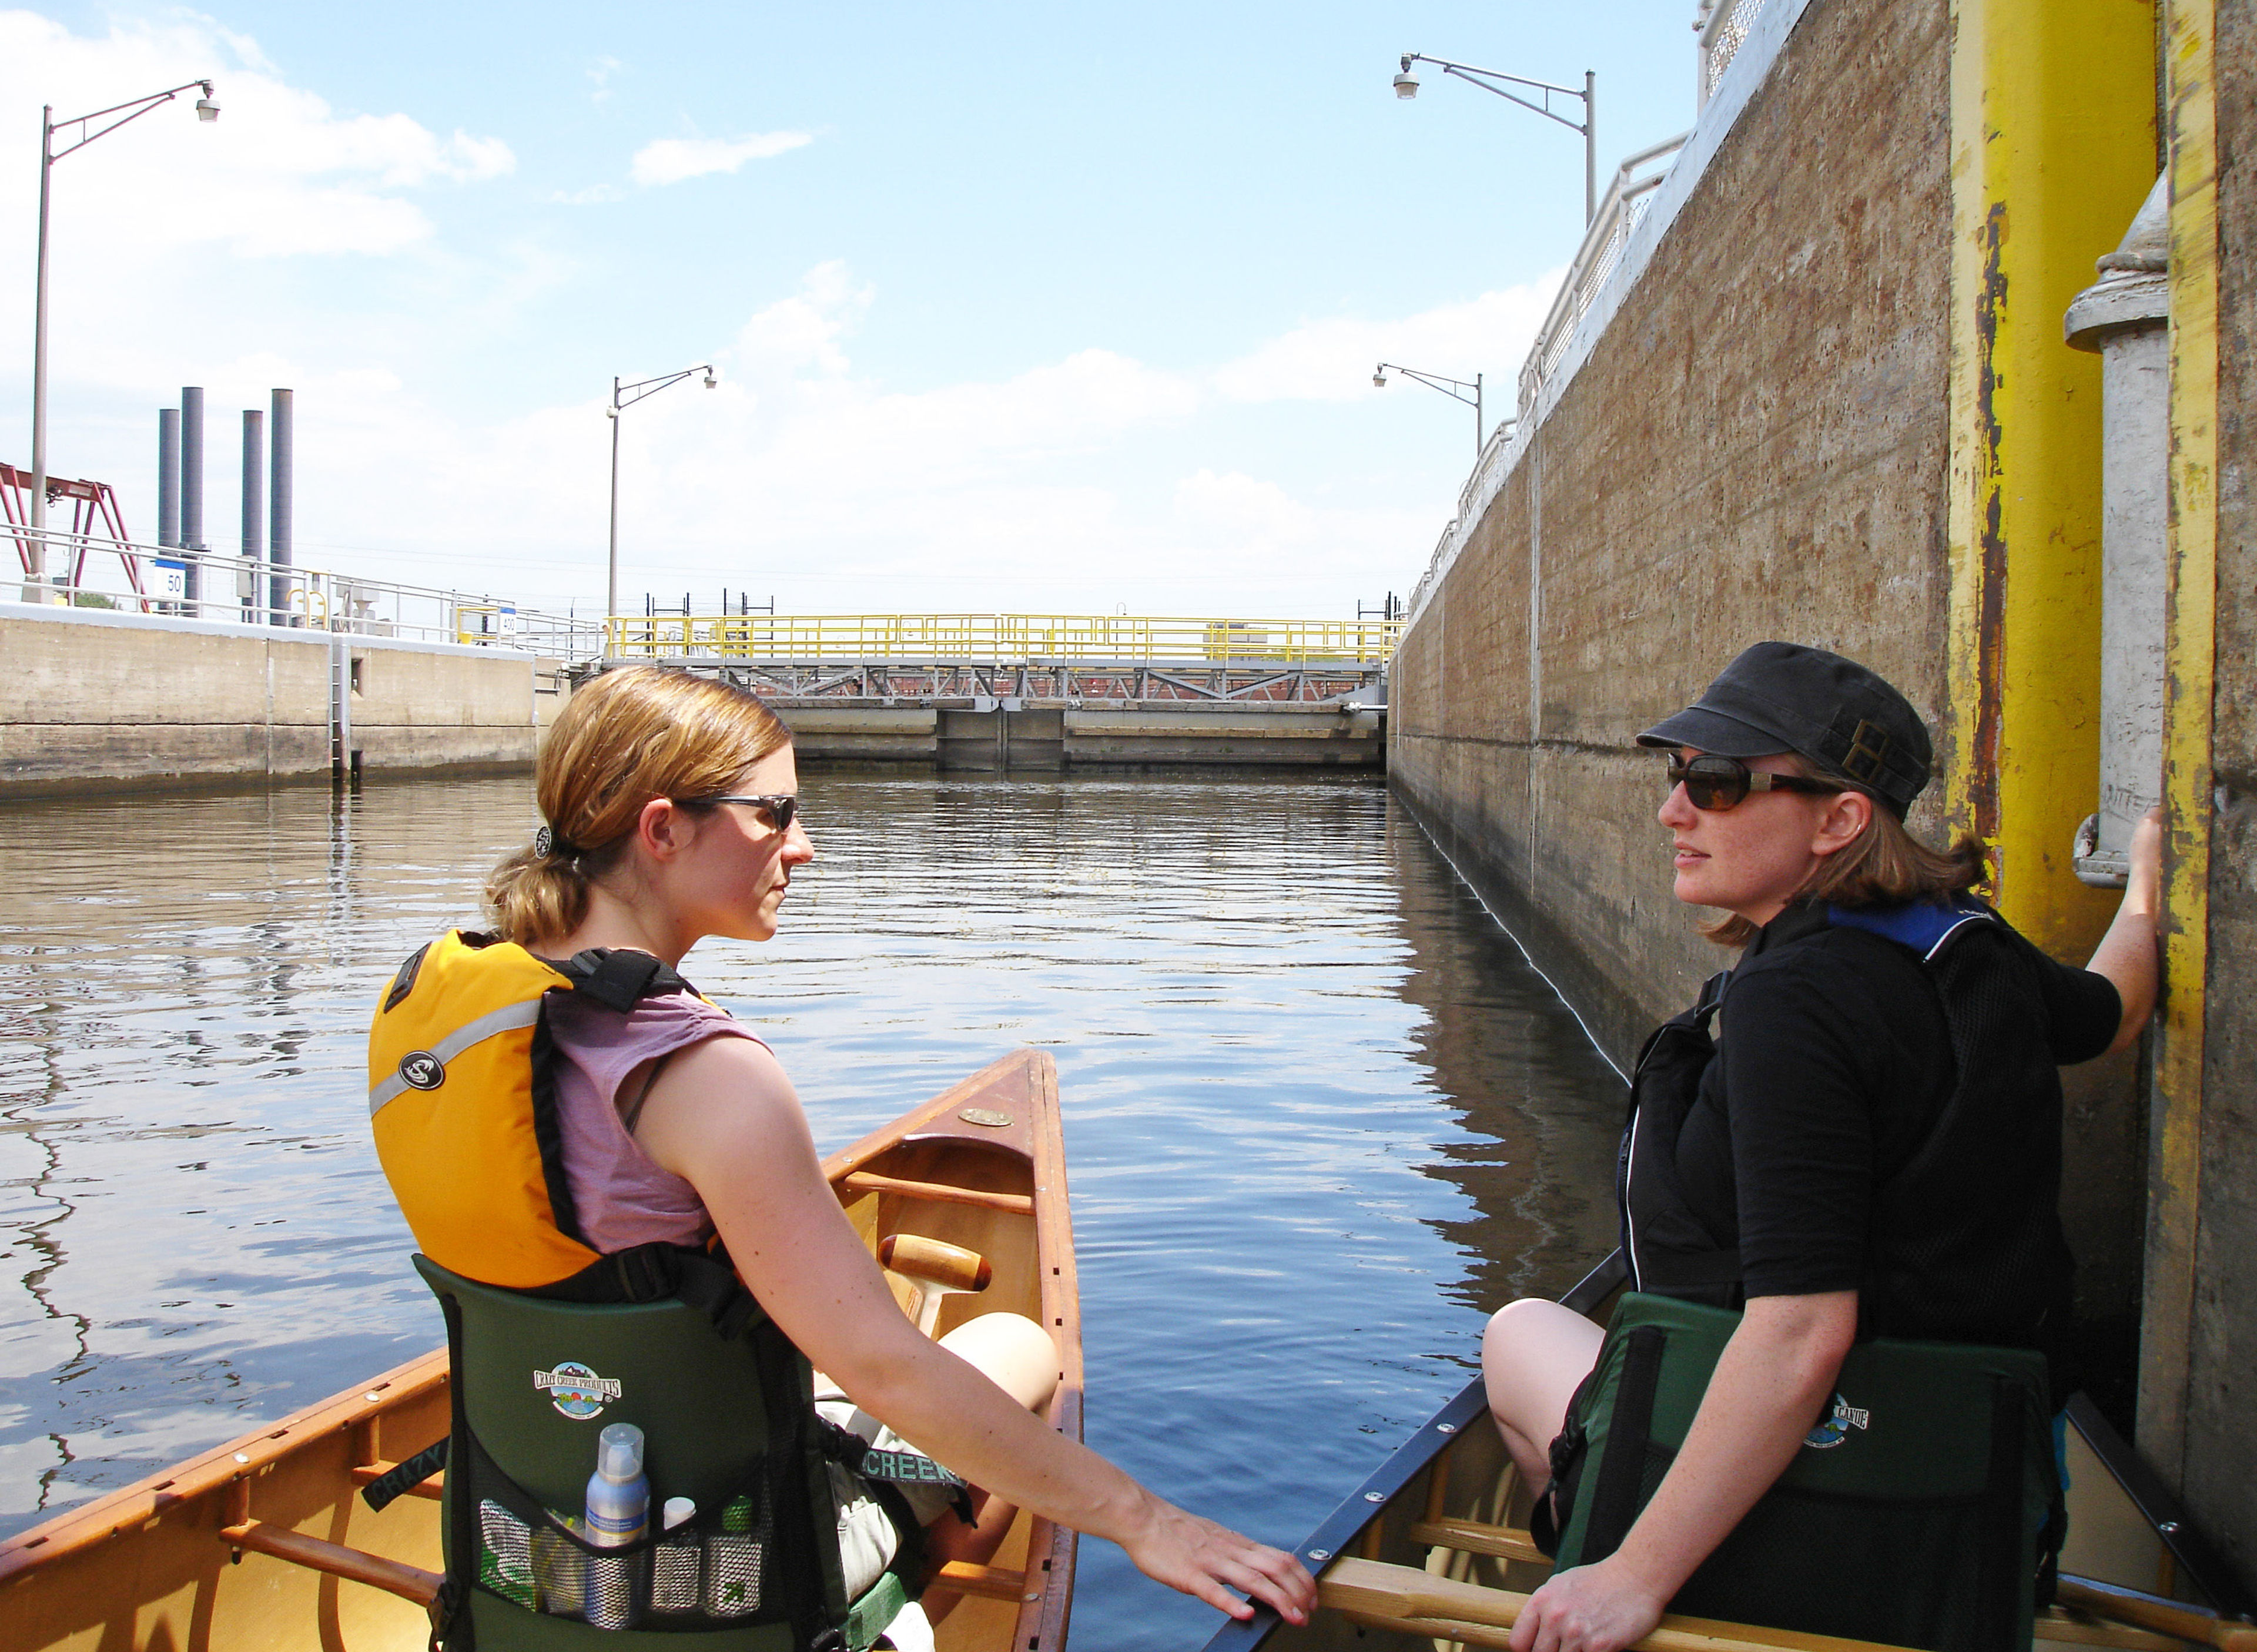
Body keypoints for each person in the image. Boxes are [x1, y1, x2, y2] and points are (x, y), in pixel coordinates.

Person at [376, 665, 1313, 1647]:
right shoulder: (708, 1079)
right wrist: (1143, 1518)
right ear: (661, 830)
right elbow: (885, 1368)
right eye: (774, 814)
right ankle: (894, 1597)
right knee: (1022, 1347)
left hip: (515, 1539)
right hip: (730, 1570)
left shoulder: (435, 1023)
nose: (804, 849)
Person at [1481, 642, 2161, 1652]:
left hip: (1836, 1488)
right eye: (1679, 778)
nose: (1674, 811)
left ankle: (1598, 1553)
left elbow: (1801, 1334)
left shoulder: (1794, 1004)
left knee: (1519, 1333)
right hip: (1962, 1461)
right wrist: (2151, 886)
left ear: (1840, 821)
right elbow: (2109, 1012)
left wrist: (1634, 1578)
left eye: (1716, 785)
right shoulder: (1970, 948)